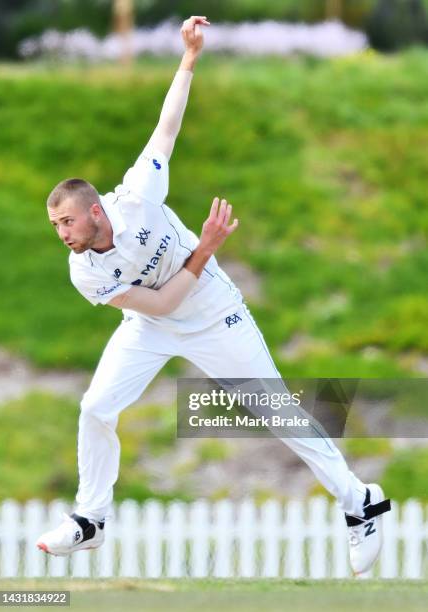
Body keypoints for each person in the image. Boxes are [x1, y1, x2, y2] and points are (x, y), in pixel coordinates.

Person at [37, 16, 390, 575]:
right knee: (95, 408)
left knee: (278, 411)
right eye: (55, 225)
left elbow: (167, 126)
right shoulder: (82, 271)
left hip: (215, 313)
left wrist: (189, 58)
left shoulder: (137, 196)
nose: (62, 233)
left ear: (96, 211)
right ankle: (91, 520)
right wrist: (203, 249)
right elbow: (157, 307)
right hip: (154, 323)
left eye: (67, 222)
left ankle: (361, 503)